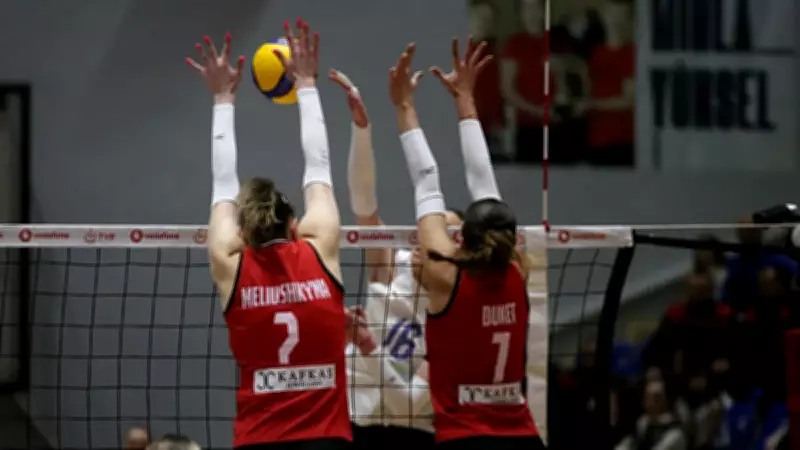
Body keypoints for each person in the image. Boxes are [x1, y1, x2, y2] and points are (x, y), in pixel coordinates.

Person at [186, 22, 351, 450]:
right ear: (295, 226)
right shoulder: (320, 251)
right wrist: (307, 84)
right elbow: (319, 167)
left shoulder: (231, 265)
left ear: (242, 233)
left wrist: (223, 98)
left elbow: (223, 186)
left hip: (261, 440)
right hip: (326, 440)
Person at [389, 37, 544, 449]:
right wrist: (466, 101)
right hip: (522, 438)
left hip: (466, 437)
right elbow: (486, 190)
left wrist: (404, 106)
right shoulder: (518, 270)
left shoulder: (446, 276)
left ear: (463, 242)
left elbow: (427, 182)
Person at [327, 69, 462, 450]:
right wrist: (362, 130)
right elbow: (364, 208)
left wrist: (367, 343)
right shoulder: (393, 266)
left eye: (447, 234)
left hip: (412, 431)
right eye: (431, 228)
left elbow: (411, 403)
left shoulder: (456, 307)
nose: (430, 238)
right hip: (354, 417)